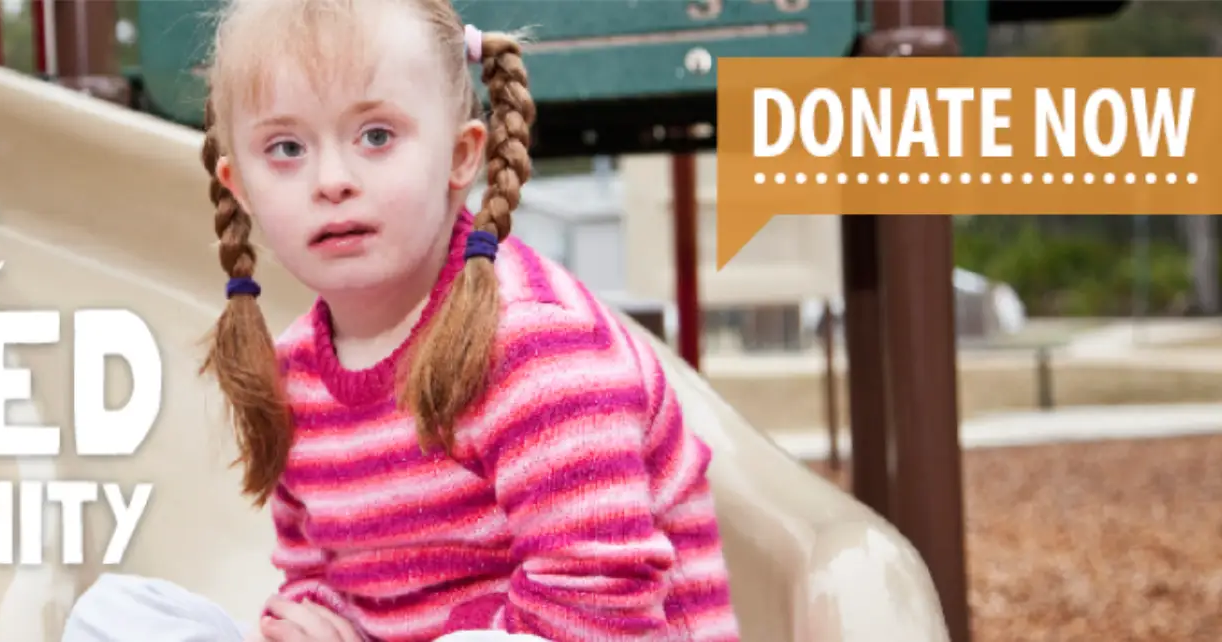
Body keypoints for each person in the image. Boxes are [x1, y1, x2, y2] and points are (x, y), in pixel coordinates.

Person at [70, 0, 740, 640]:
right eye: (285, 149)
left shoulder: (536, 347)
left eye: (377, 136)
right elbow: (316, 577)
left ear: (459, 155)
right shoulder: (295, 374)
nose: (332, 179)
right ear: (239, 184)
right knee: (113, 617)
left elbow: (603, 607)